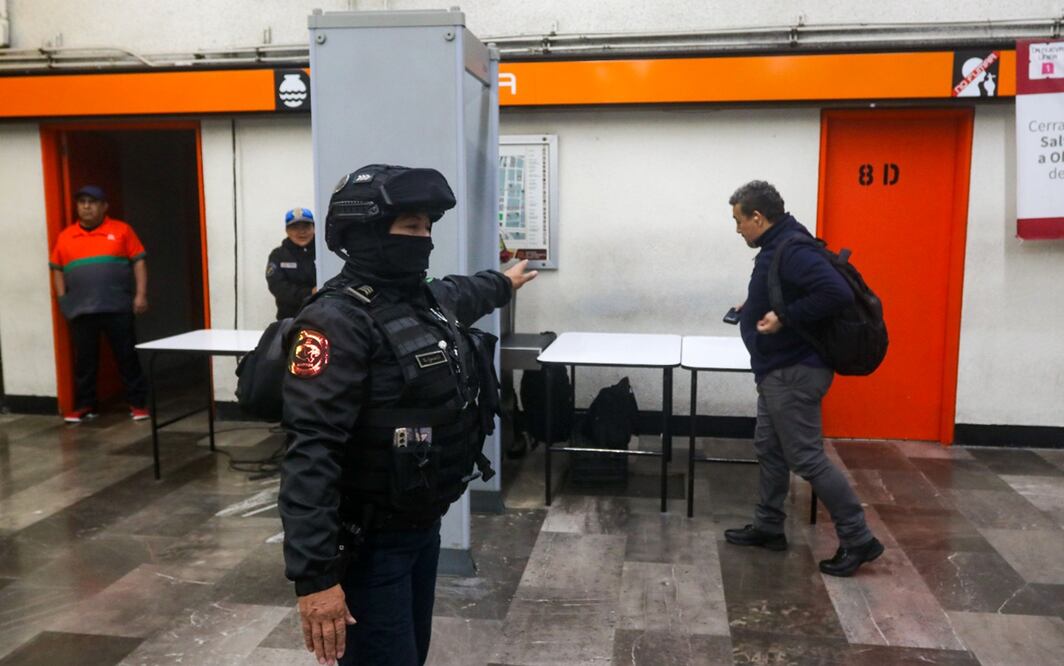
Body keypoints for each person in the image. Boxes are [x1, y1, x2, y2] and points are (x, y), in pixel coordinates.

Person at [278, 164, 538, 666]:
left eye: (427, 228)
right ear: (367, 232)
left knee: (410, 654)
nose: (425, 240)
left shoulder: (422, 300)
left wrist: (504, 283)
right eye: (411, 227)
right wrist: (315, 579)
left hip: (421, 527)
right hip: (368, 546)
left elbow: (466, 291)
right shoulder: (335, 322)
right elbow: (310, 453)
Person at [722, 180, 883, 577]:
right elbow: (790, 290)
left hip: (793, 372)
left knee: (806, 458)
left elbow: (835, 294)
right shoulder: (781, 244)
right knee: (770, 449)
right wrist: (755, 304)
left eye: (739, 221)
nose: (738, 229)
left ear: (758, 217)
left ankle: (858, 538)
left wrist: (784, 316)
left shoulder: (791, 248)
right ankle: (769, 525)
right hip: (776, 370)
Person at [49, 185, 150, 424]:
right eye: (82, 202)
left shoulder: (122, 231)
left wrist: (141, 294)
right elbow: (57, 270)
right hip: (81, 310)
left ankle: (137, 404)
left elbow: (139, 263)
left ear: (104, 207)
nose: (86, 206)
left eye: (92, 202)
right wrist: (63, 299)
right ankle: (86, 406)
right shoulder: (66, 236)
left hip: (118, 307)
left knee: (127, 357)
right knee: (84, 361)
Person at [267, 207, 318, 320]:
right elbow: (278, 287)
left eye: (306, 226)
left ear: (314, 228)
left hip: (321, 317)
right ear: (287, 231)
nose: (302, 232)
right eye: (295, 227)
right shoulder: (278, 255)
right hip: (289, 319)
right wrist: (310, 293)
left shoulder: (325, 254)